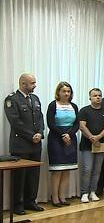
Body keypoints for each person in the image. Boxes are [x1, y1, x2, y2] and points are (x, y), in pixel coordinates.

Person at [4, 73, 45, 215]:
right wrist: (31, 135)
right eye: (32, 83)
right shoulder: (12, 99)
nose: (35, 85)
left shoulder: (35, 98)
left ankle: (30, 201)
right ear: (23, 84)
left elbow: (40, 118)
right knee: (19, 177)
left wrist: (40, 133)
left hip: (36, 143)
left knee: (34, 175)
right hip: (21, 144)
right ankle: (17, 204)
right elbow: (15, 122)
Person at [46, 82, 79, 206]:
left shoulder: (74, 106)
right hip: (56, 139)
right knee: (57, 170)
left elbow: (77, 124)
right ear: (58, 92)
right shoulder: (53, 105)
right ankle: (54, 197)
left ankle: (62, 196)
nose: (66, 93)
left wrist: (69, 134)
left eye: (68, 91)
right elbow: (50, 123)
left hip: (70, 139)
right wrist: (62, 135)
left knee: (67, 169)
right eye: (64, 91)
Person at [78, 88, 104, 203]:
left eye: (99, 95)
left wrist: (98, 137)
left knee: (97, 169)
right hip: (87, 144)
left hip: (101, 143)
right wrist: (92, 137)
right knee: (87, 169)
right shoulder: (84, 110)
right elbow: (82, 126)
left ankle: (93, 192)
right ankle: (84, 193)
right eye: (95, 95)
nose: (97, 97)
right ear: (90, 98)